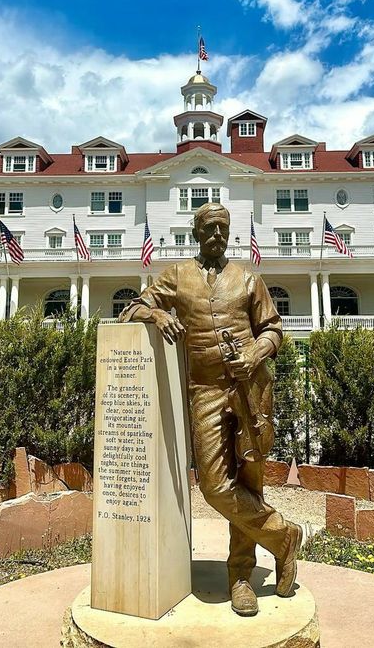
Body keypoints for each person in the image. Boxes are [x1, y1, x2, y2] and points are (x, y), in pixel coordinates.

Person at [120, 202, 303, 617]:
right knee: (215, 485)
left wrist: (256, 352)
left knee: (251, 480)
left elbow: (274, 328)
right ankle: (282, 536)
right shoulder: (177, 276)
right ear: (197, 233)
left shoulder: (248, 277)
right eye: (210, 228)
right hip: (203, 389)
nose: (218, 234)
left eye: (224, 227)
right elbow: (131, 306)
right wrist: (155, 314)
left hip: (251, 390)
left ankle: (240, 576)